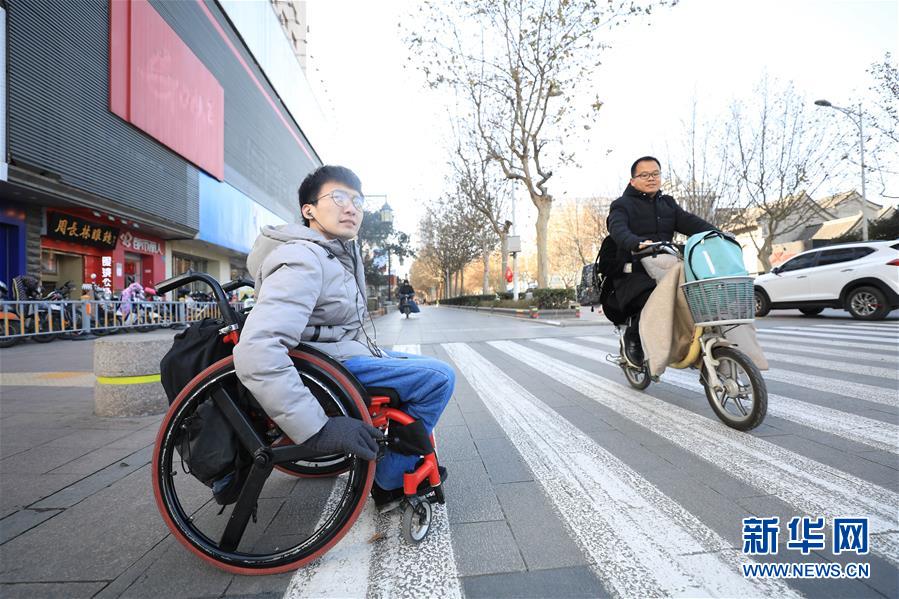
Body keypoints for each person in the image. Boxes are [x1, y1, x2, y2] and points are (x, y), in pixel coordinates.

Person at [233, 165, 453, 512]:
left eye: (357, 200)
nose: (351, 207)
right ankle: (391, 481)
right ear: (308, 210)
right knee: (439, 378)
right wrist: (318, 428)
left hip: (341, 356)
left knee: (422, 367)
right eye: (338, 197)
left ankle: (396, 454)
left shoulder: (333, 254)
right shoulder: (303, 258)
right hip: (332, 368)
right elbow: (258, 349)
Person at [606, 156, 716, 365]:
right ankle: (634, 337)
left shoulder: (668, 204)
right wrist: (635, 242)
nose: (651, 179)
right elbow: (617, 229)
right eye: (644, 175)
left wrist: (718, 234)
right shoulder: (621, 205)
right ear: (633, 180)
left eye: (655, 174)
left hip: (666, 263)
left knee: (697, 291)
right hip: (634, 269)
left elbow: (690, 222)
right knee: (650, 297)